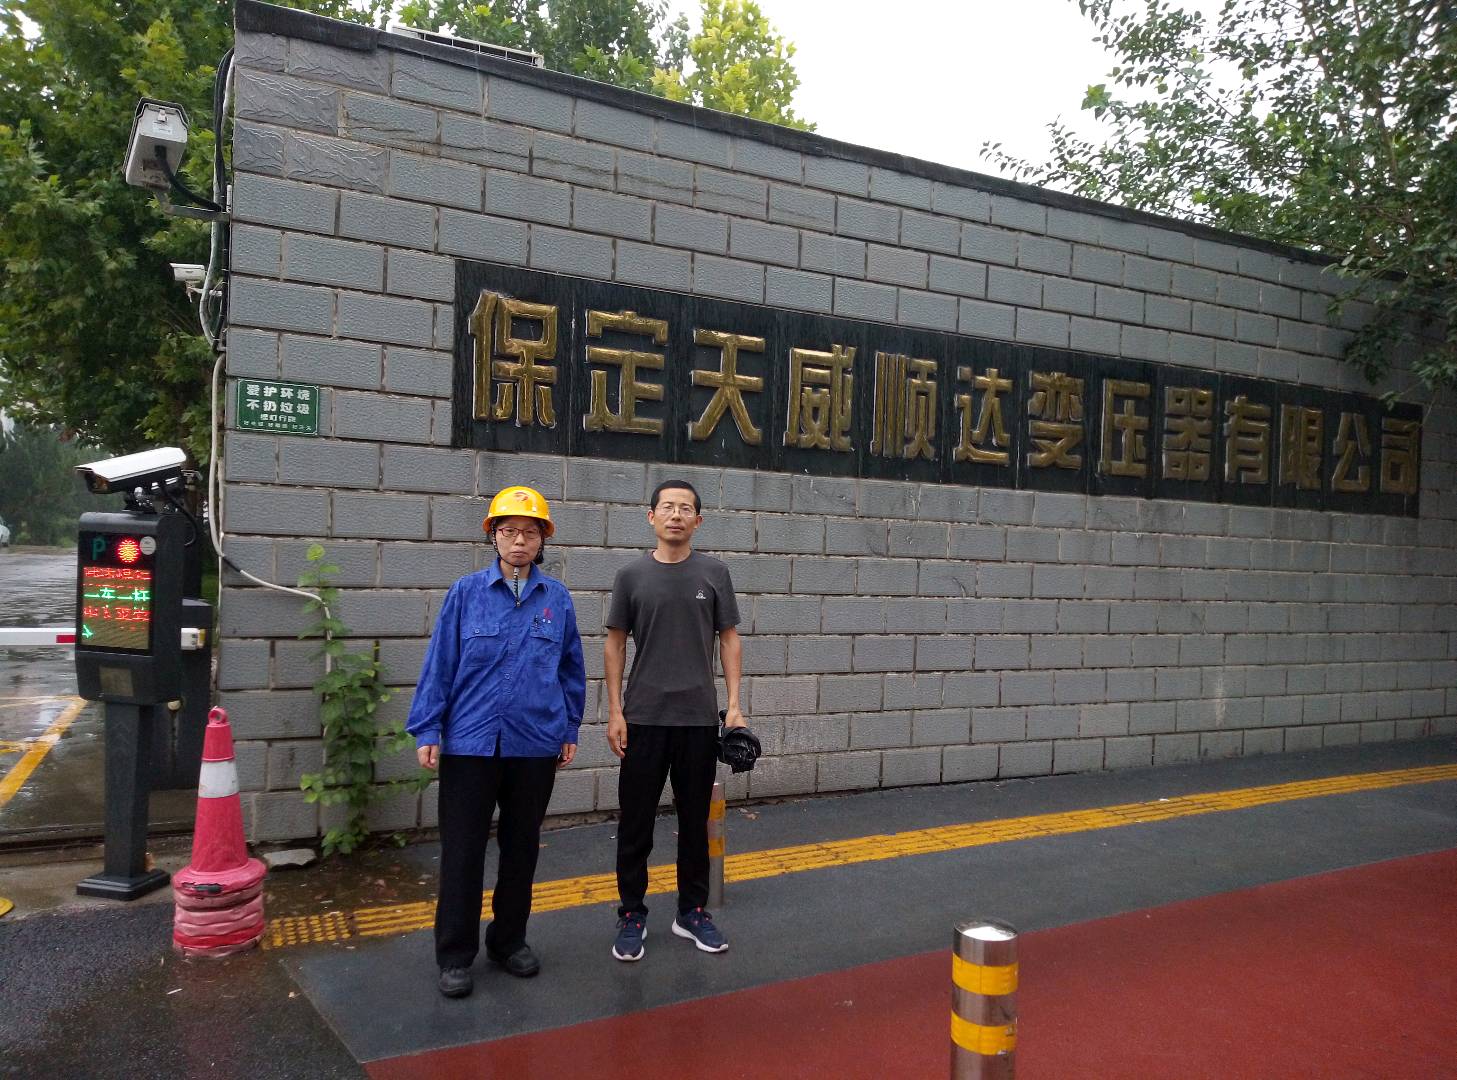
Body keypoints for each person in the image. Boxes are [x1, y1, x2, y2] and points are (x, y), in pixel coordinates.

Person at [407, 485, 585, 998]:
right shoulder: (465, 594)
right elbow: (440, 662)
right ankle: (455, 954)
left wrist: (569, 727)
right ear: (493, 536)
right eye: (508, 531)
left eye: (529, 532)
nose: (519, 541)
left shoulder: (557, 599)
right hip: (470, 743)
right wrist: (428, 727)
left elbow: (571, 669)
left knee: (521, 848)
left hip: (534, 744)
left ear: (543, 539)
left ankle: (508, 941)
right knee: (462, 851)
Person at [605, 479, 745, 961]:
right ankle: (631, 914)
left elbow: (729, 639)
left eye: (686, 509)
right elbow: (614, 644)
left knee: (694, 822)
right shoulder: (630, 576)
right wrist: (615, 711)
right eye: (667, 507)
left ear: (698, 521)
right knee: (636, 824)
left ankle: (691, 912)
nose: (676, 515)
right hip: (643, 718)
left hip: (697, 720)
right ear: (652, 516)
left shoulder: (714, 573)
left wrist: (735, 705)